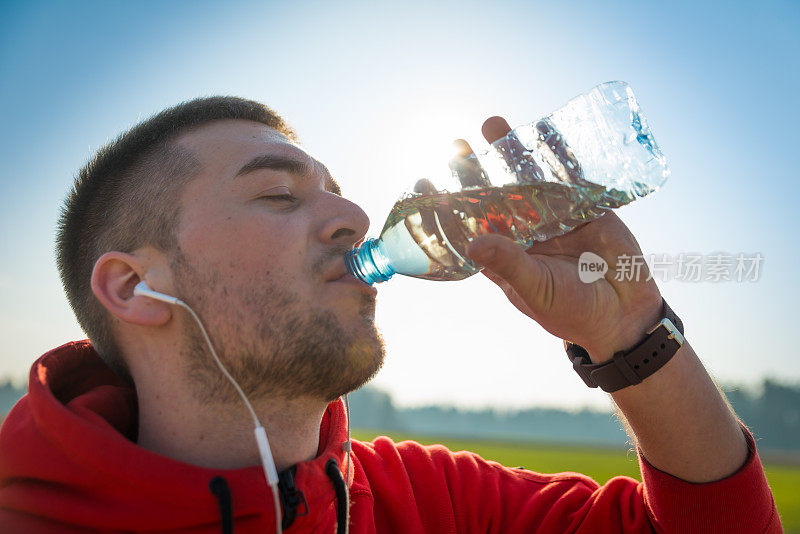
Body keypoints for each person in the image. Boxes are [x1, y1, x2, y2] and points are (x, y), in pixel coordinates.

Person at [0, 96, 781, 533]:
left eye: (337, 189)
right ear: (134, 288)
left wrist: (630, 334)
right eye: (279, 194)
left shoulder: (431, 503)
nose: (353, 215)